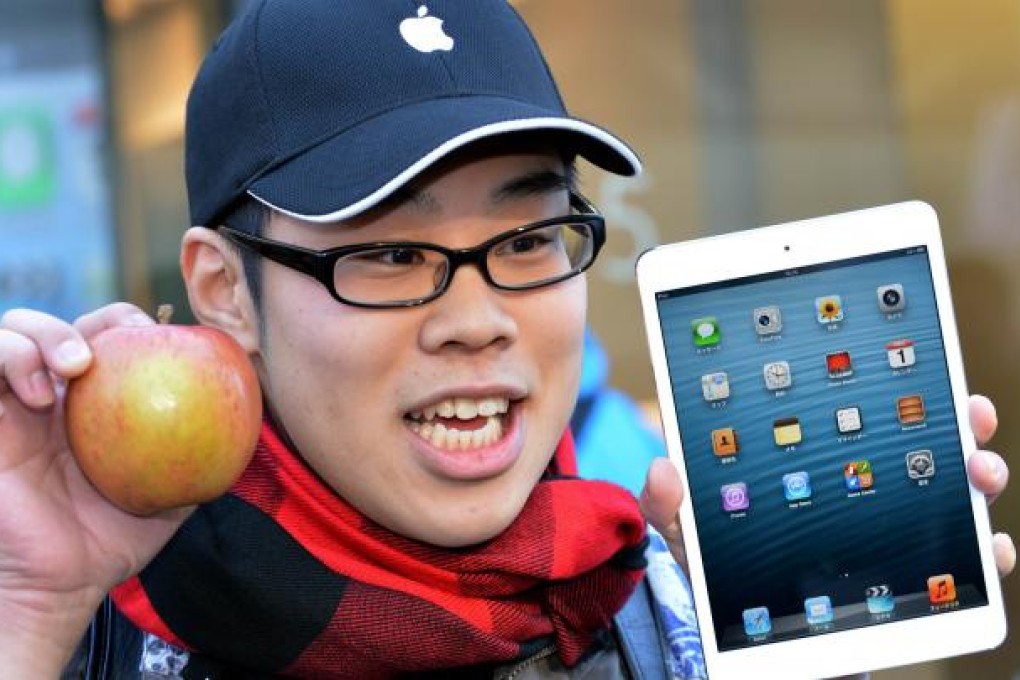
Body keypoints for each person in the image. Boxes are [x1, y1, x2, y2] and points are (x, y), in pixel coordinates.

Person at [0, 2, 1012, 678]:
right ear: (225, 289)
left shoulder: (661, 611)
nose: (479, 318)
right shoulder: (93, 623)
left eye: (528, 237)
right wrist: (26, 603)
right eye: (390, 250)